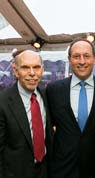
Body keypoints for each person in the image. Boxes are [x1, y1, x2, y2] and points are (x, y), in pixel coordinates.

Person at [46, 39, 95, 178]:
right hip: (61, 167)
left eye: (87, 56)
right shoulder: (53, 90)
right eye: (76, 56)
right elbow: (47, 127)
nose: (82, 61)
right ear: (69, 59)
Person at [0, 50, 53, 178]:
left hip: (45, 171)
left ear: (42, 69)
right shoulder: (2, 102)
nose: (32, 73)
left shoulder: (47, 95)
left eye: (36, 67)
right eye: (25, 67)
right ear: (15, 71)